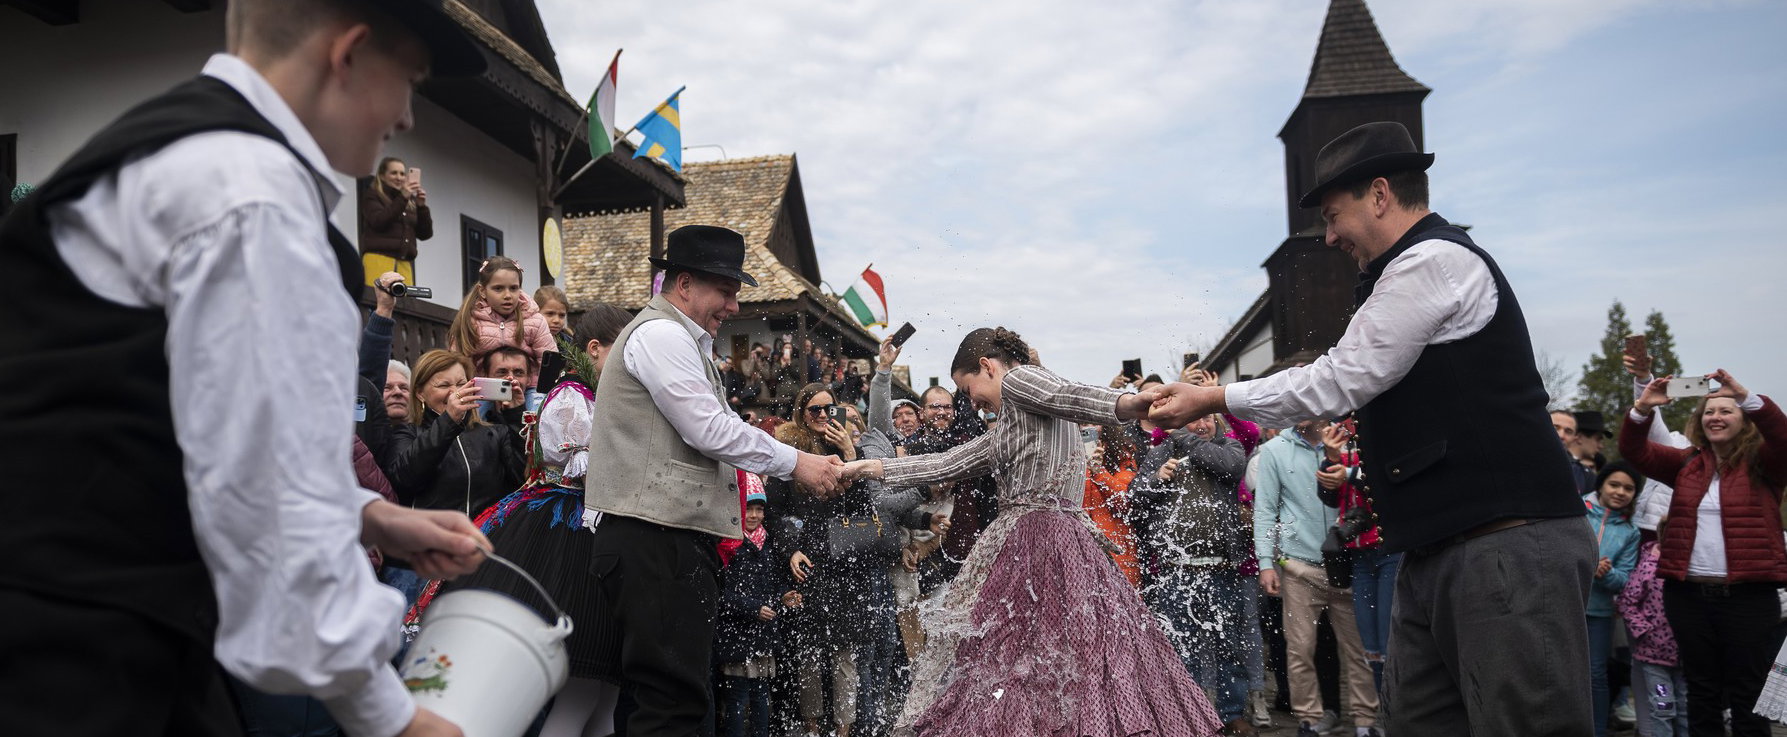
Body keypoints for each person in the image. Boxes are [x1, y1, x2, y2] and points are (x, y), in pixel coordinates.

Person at [0, 1, 490, 735]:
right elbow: (269, 495)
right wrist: (390, 715)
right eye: (410, 80)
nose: (408, 118)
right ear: (347, 53)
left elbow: (194, 426)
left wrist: (368, 514)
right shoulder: (252, 196)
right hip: (79, 662)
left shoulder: (173, 150)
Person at [1149, 121, 1596, 736]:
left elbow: (1340, 378)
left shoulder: (1432, 262)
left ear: (1380, 194)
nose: (1329, 236)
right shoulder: (1400, 275)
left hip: (1506, 545)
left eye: (1334, 216)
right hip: (1436, 547)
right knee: (1414, 720)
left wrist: (1216, 396)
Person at [840, 328, 1222, 737]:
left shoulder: (1020, 379)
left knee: (1016, 659)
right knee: (1062, 659)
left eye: (968, 389)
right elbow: (948, 463)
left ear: (988, 366)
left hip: (1039, 540)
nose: (970, 402)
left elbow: (1068, 395)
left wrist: (1131, 403)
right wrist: (869, 468)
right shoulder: (1011, 425)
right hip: (1055, 543)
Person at [582, 225, 844, 737]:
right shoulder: (661, 335)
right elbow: (709, 430)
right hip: (654, 541)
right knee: (671, 705)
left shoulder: (682, 340)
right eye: (725, 290)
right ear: (684, 283)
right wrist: (799, 462)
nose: (733, 305)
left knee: (668, 698)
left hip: (664, 541)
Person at [417, 305, 632, 737]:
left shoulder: (598, 393)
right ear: (594, 349)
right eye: (623, 350)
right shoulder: (571, 395)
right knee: (582, 691)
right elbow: (582, 464)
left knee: (604, 696)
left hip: (595, 527)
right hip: (567, 535)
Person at [1623, 370, 1787, 737]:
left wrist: (1746, 395)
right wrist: (1642, 410)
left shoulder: (1765, 465)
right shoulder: (1685, 465)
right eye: (1708, 411)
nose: (1715, 416)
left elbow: (1782, 436)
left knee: (1748, 697)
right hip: (1689, 598)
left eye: (1727, 410)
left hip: (1749, 598)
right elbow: (1635, 451)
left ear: (1744, 420)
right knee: (1702, 692)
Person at [1253, 420, 1378, 737]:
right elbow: (1265, 509)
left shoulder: (1350, 441)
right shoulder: (1273, 451)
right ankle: (1308, 720)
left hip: (1351, 563)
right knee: (1299, 650)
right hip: (1298, 565)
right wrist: (1266, 561)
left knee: (1359, 649)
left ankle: (1366, 721)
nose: (1302, 409)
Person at [1131, 412, 1253, 734]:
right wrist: (1156, 479)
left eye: (1207, 419)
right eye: (1194, 420)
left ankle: (1232, 714)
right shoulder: (1160, 453)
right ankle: (1193, 715)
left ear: (1217, 423)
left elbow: (1229, 468)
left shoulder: (1229, 448)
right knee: (1183, 649)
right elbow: (1134, 497)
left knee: (1229, 646)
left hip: (1221, 568)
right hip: (1176, 571)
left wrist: (1181, 434)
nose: (1202, 425)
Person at [715, 487, 801, 737]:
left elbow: (774, 583)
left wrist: (783, 596)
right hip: (737, 634)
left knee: (762, 697)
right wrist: (753, 609)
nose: (753, 515)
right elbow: (721, 593)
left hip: (763, 635)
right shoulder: (727, 543)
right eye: (748, 509)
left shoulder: (768, 542)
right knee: (737, 699)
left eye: (759, 509)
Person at [1584, 460, 1643, 737]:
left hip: (1600, 612)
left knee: (1596, 674)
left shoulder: (1630, 532)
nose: (1620, 492)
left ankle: (1597, 730)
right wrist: (1587, 564)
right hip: (1564, 606)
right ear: (1601, 485)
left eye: (1628, 488)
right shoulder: (1576, 510)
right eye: (1614, 484)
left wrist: (1603, 573)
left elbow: (1624, 579)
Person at [1619, 515, 1689, 737]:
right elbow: (1628, 600)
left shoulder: (1694, 565)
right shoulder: (1649, 564)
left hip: (1687, 653)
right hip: (1654, 657)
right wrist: (1645, 631)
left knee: (1686, 707)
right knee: (1663, 705)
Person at [447, 255, 555, 387]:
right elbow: (458, 362)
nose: (508, 295)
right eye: (498, 288)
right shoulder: (470, 321)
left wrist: (544, 390)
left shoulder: (534, 321)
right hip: (483, 389)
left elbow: (550, 362)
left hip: (529, 388)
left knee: (538, 407)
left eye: (514, 288)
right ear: (482, 291)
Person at [1085, 424, 1143, 588]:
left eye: (1093, 422)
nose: (1089, 427)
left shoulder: (1122, 457)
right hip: (1077, 550)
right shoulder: (1066, 455)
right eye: (1083, 423)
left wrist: (1099, 472)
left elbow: (1125, 502)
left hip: (1116, 555)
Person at [358, 156, 431, 286]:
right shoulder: (373, 195)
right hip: (378, 259)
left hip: (404, 264)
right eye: (394, 173)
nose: (399, 177)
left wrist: (421, 207)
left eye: (402, 174)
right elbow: (379, 221)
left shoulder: (409, 200)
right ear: (382, 175)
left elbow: (425, 234)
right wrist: (403, 197)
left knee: (404, 305)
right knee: (378, 301)